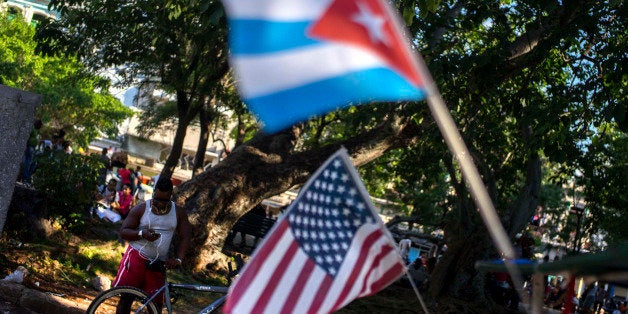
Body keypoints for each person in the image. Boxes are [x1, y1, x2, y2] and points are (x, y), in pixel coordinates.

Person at [111, 177, 191, 312]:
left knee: (156, 305)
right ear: (154, 193)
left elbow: (185, 237)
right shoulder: (141, 209)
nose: (160, 204)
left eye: (164, 201)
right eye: (157, 199)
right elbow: (123, 231)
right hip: (136, 256)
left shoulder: (178, 213)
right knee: (126, 299)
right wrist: (142, 234)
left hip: (158, 263)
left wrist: (178, 258)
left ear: (171, 195)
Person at [21, 119, 43, 186]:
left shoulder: (38, 132)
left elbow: (39, 140)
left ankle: (27, 177)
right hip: (29, 147)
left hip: (34, 149)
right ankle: (25, 178)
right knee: (28, 163)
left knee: (34, 164)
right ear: (36, 124)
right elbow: (27, 137)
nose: (41, 126)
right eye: (40, 125)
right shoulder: (32, 129)